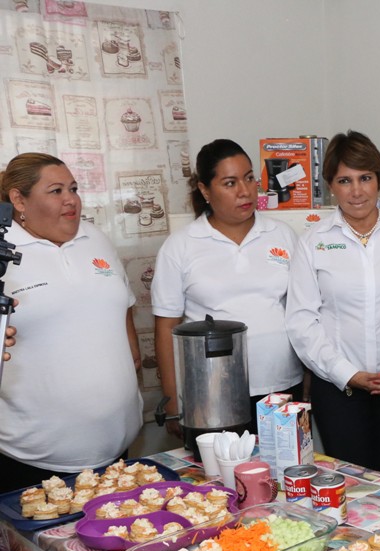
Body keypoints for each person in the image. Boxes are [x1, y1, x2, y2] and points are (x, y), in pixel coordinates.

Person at [286, 131, 380, 477]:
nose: (357, 190)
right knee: (350, 486)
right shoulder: (313, 243)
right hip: (340, 393)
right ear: (330, 186)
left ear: (379, 179)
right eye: (344, 180)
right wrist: (348, 374)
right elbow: (302, 322)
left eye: (365, 178)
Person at [0, 153, 143, 489]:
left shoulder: (95, 238)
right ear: (19, 199)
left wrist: (130, 361)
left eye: (74, 188)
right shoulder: (3, 252)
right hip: (33, 463)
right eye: (55, 191)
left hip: (117, 452)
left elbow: (124, 307)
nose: (71, 200)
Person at [151, 139, 303, 441]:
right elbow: (166, 325)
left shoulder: (282, 235)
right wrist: (172, 398)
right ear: (205, 191)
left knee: (286, 474)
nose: (245, 191)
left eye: (249, 178)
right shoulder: (181, 246)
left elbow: (303, 311)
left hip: (282, 384)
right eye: (230, 183)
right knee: (221, 482)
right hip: (211, 392)